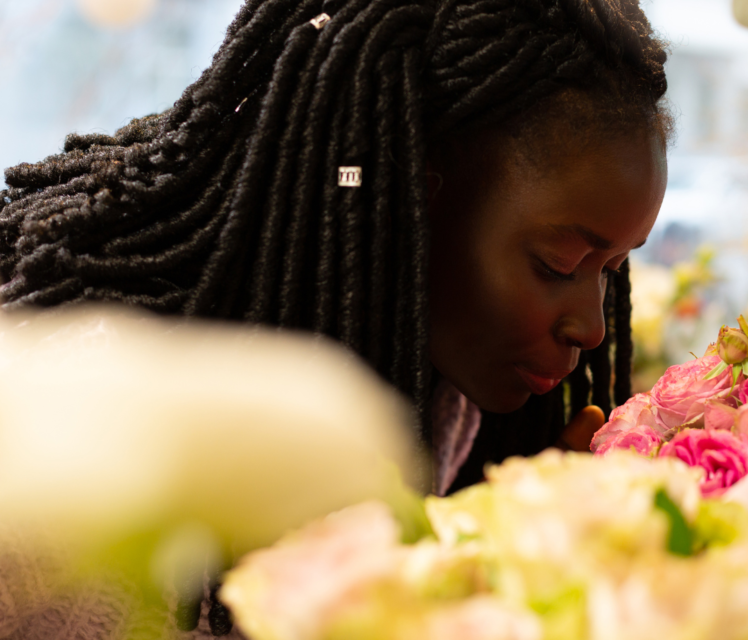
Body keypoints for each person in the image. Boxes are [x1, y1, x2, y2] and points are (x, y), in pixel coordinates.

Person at [0, 1, 669, 634]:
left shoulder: (439, 397)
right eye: (559, 264)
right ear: (412, 188)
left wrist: (521, 548)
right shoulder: (74, 425)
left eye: (611, 272)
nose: (594, 328)